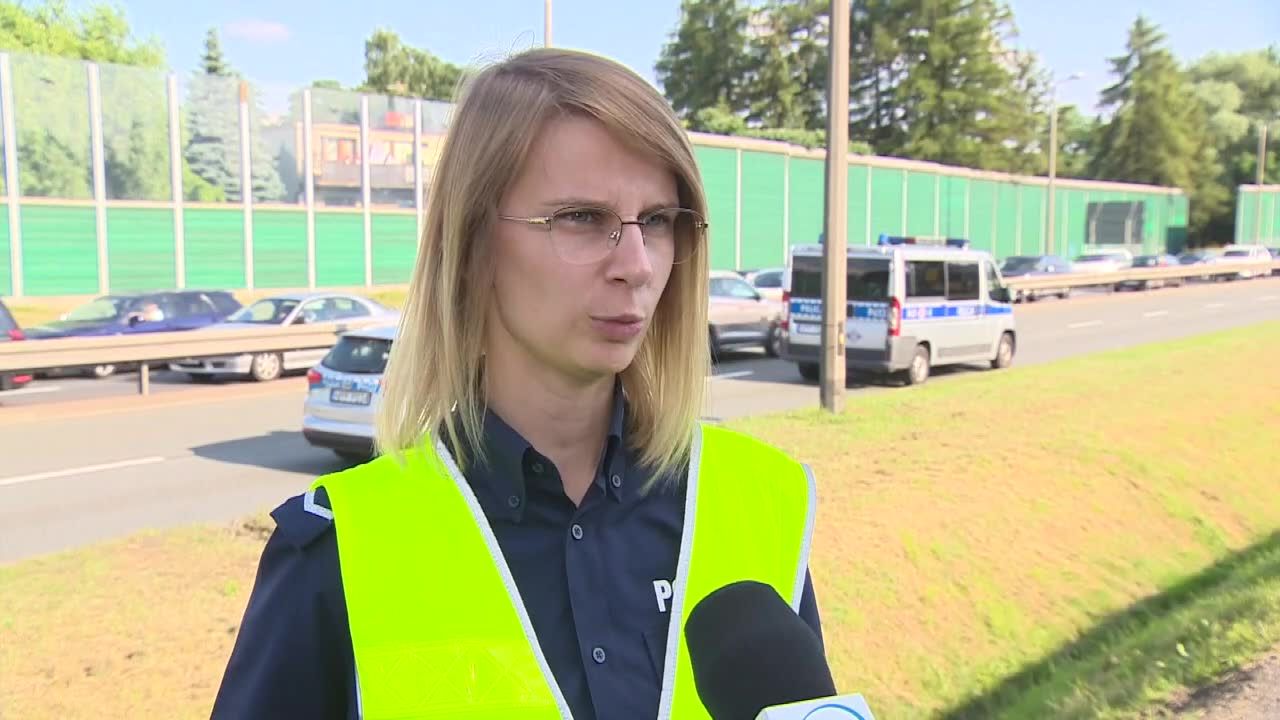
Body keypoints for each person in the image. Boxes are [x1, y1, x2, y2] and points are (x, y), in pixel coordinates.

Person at [212, 47, 824, 720]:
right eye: (582, 218)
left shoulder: (759, 505)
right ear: (473, 246)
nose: (638, 265)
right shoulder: (337, 550)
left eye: (657, 221)